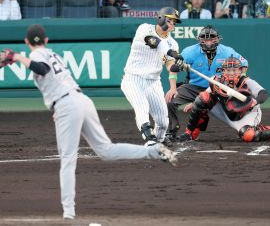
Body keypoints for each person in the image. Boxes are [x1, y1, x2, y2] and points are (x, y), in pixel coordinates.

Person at [0, 24, 178, 220]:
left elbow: (41, 69)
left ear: (26, 42)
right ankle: (153, 151)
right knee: (106, 150)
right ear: (47, 41)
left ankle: (68, 214)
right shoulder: (53, 54)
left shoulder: (36, 55)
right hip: (81, 101)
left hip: (68, 105)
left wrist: (17, 57)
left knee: (67, 159)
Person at [165, 25, 248, 140]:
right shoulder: (189, 52)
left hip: (218, 89)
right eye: (205, 38)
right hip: (194, 86)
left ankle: (245, 127)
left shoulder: (227, 51)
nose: (208, 42)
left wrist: (238, 82)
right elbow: (174, 70)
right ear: (199, 39)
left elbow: (244, 64)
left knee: (234, 108)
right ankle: (172, 129)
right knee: (170, 100)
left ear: (218, 39)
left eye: (211, 38)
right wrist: (173, 89)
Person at [176, 56, 270, 142]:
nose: (231, 73)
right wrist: (194, 104)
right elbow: (206, 94)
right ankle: (190, 133)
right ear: (223, 71)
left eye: (235, 70)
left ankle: (268, 132)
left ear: (240, 71)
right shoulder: (216, 81)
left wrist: (255, 101)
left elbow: (264, 93)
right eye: (228, 70)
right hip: (224, 111)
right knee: (203, 98)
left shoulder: (247, 82)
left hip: (246, 114)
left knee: (249, 136)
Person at [121, 7, 183, 147]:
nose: (173, 24)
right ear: (161, 19)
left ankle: (159, 139)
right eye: (170, 20)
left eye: (175, 22)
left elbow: (169, 65)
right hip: (133, 78)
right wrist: (172, 53)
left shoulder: (173, 43)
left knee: (163, 121)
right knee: (141, 105)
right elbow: (155, 42)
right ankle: (149, 136)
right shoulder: (145, 29)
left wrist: (174, 66)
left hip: (153, 82)